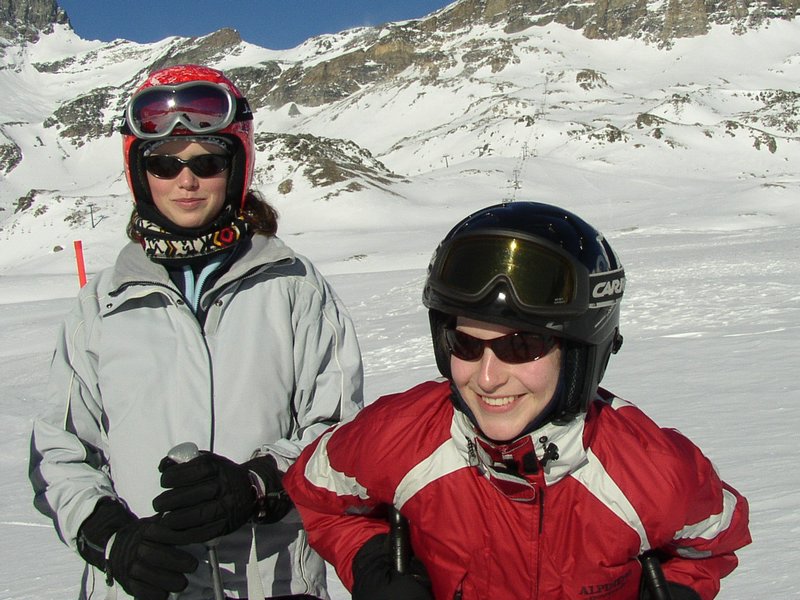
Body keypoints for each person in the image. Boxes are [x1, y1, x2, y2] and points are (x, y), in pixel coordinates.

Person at [283, 201, 751, 600]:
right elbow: (316, 490)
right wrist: (370, 563)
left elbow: (715, 539)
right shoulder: (399, 436)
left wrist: (680, 589)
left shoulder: (652, 471)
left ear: (580, 355)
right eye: (466, 345)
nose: (487, 379)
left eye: (521, 347)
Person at [29, 64, 363, 600]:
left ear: (236, 167)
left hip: (271, 581)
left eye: (207, 162)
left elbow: (341, 435)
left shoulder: (292, 286)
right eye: (164, 164)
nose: (186, 181)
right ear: (141, 174)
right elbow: (61, 450)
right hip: (143, 585)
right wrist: (112, 539)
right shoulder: (104, 303)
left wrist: (259, 484)